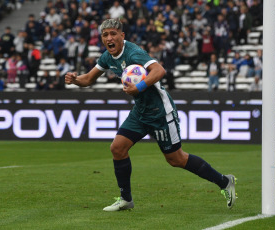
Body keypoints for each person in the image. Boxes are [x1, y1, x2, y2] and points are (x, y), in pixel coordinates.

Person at [65, 19, 237, 212]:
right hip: (140, 111)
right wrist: (75, 80)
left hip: (160, 112)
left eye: (113, 33)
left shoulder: (134, 53)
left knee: (176, 159)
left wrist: (138, 87)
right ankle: (126, 199)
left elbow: (159, 70)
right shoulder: (107, 57)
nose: (109, 38)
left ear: (122, 36)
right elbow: (88, 79)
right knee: (118, 148)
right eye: (105, 35)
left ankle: (224, 181)